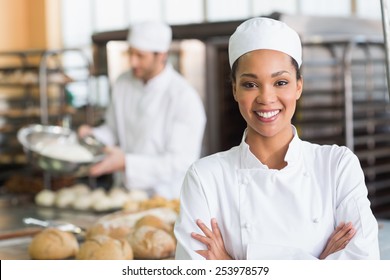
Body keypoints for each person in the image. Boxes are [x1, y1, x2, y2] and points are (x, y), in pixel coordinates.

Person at [174, 17, 380, 259]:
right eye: (250, 84)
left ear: (298, 86)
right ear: (235, 90)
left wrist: (230, 265)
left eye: (280, 82)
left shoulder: (337, 165)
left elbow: (363, 267)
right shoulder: (204, 178)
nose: (266, 98)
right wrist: (321, 264)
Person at [78, 21, 206, 199]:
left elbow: (180, 162)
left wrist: (126, 163)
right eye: (130, 53)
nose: (132, 62)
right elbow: (113, 129)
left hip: (166, 198)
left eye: (140, 56)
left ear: (161, 55)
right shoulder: (123, 83)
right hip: (125, 195)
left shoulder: (183, 97)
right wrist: (93, 136)